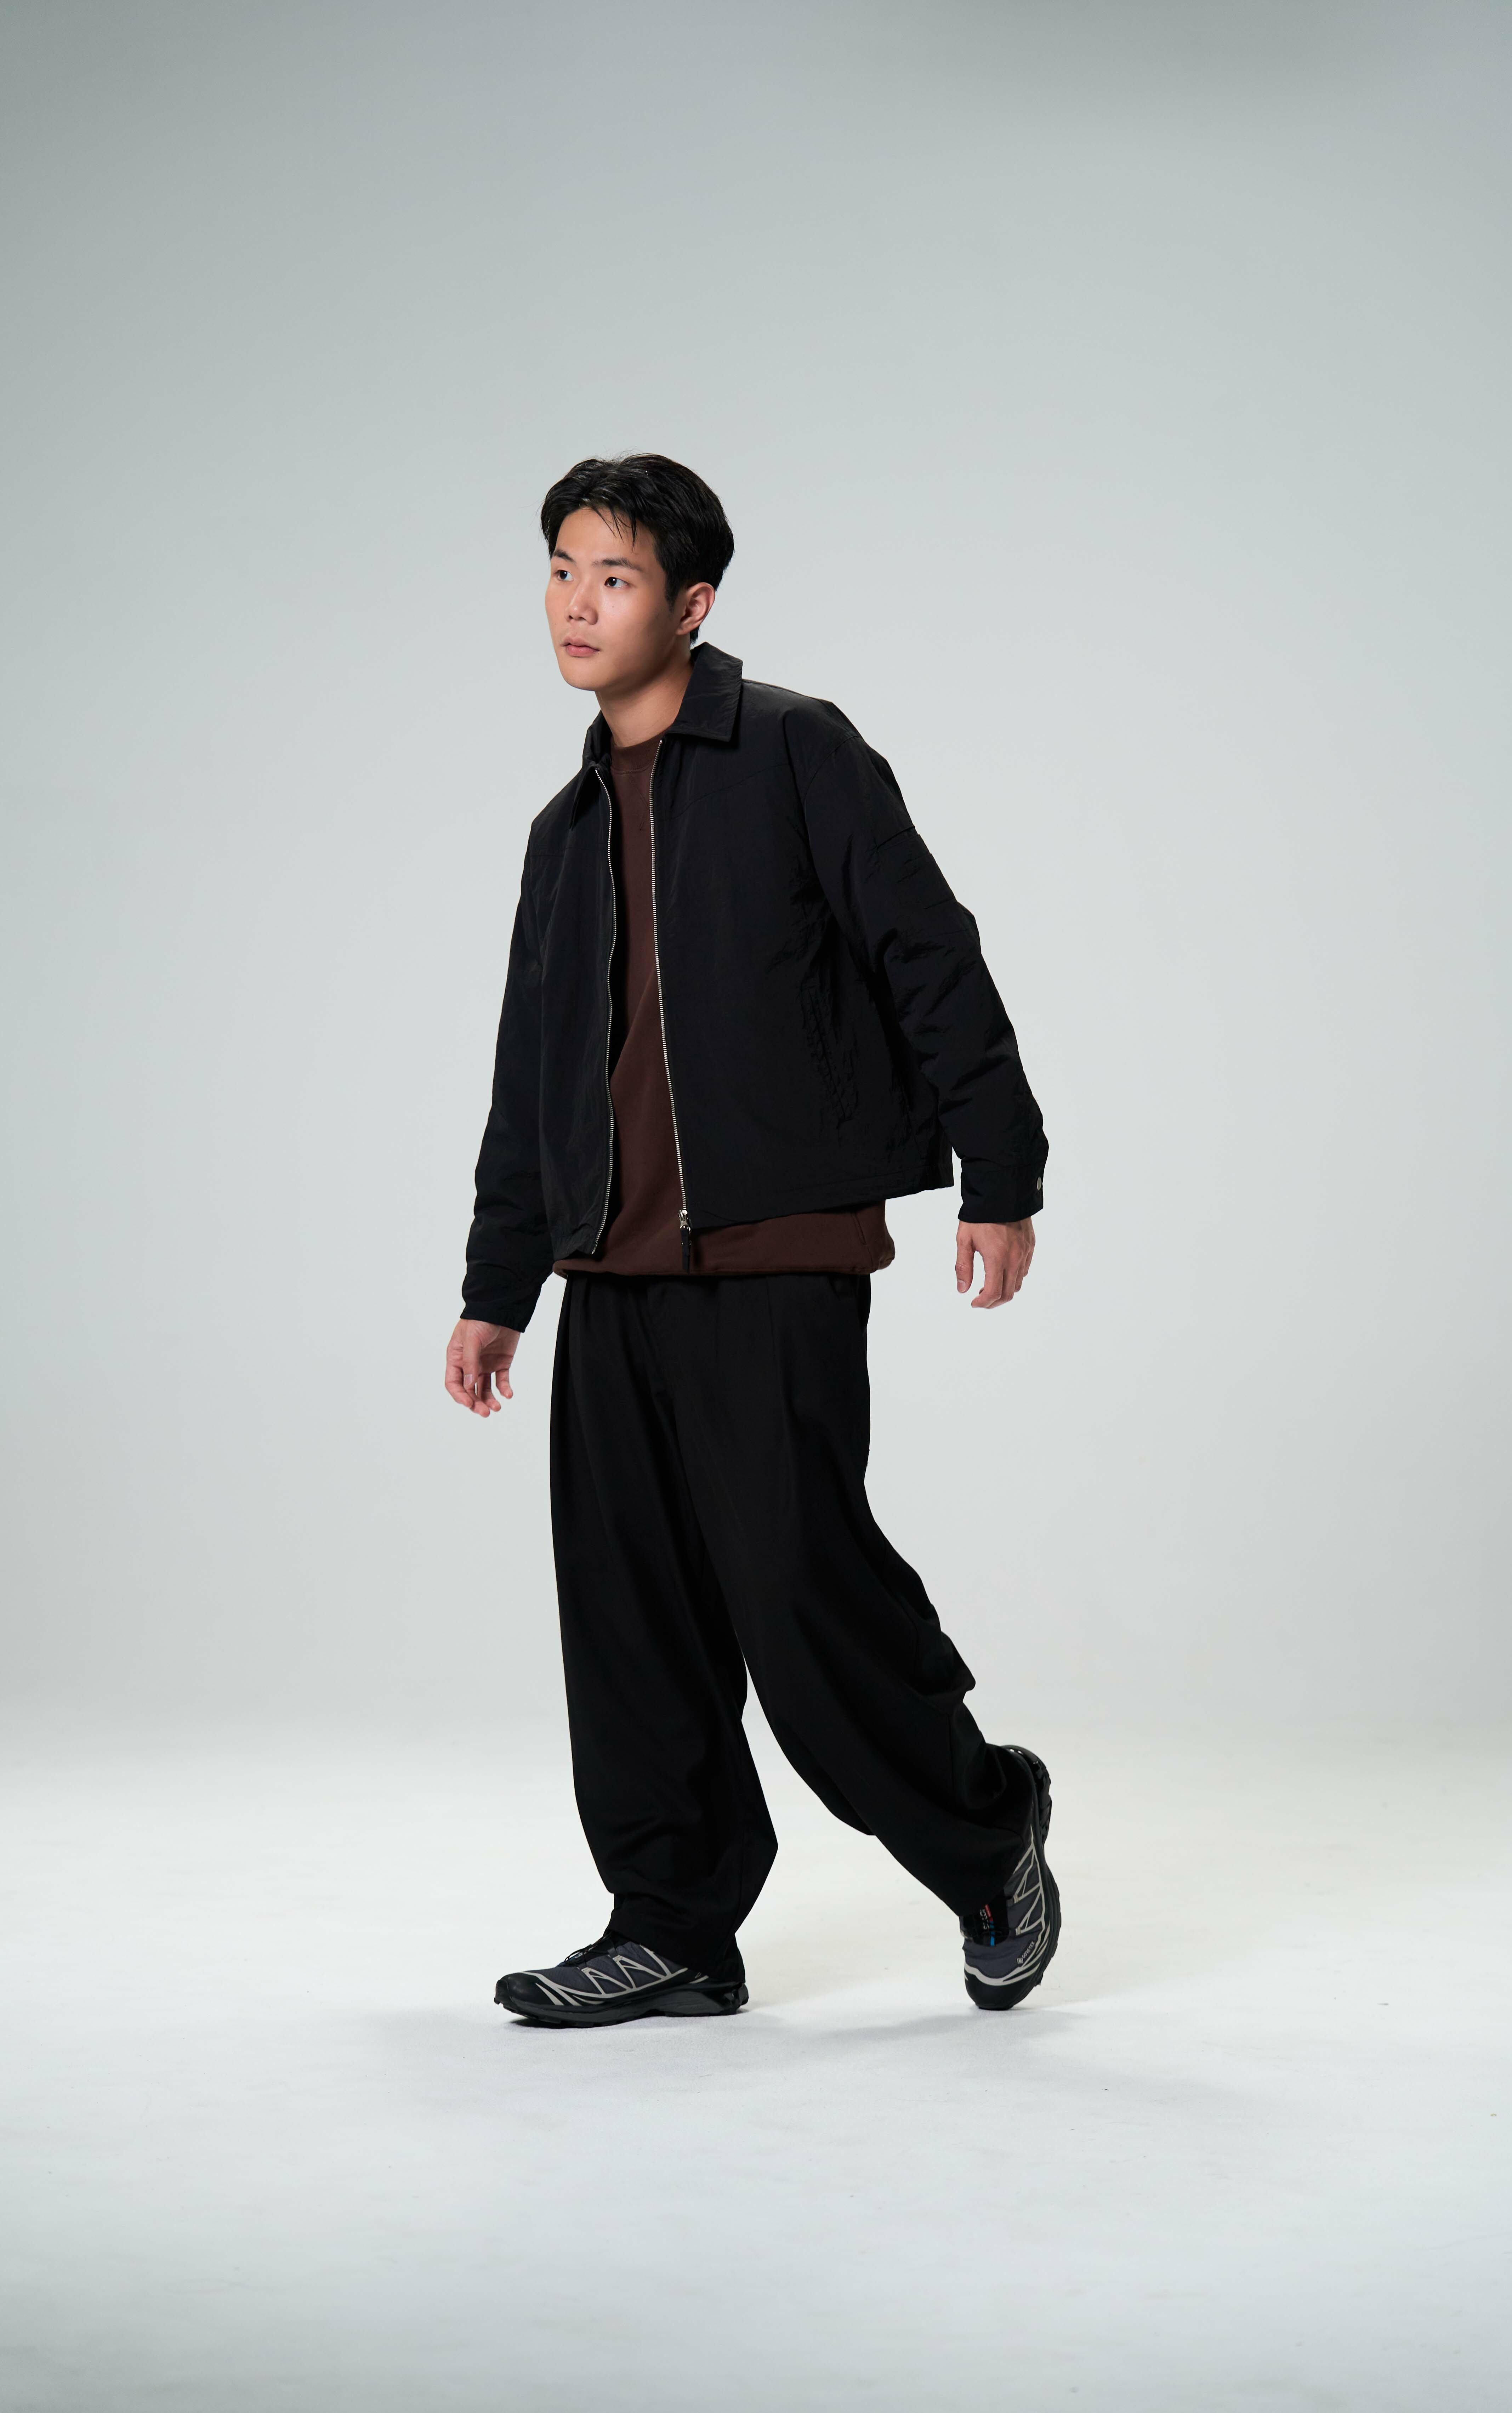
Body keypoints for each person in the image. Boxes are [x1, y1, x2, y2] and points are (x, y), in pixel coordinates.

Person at [448, 454, 1057, 2028]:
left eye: (616, 577)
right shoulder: (564, 830)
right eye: (562, 570)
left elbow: (926, 953)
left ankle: (986, 1833)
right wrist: (498, 1286)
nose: (577, 604)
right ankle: (669, 1924)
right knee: (631, 1618)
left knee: (801, 1595)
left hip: (777, 1253)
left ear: (692, 605)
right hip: (609, 1271)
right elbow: (531, 1073)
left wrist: (1000, 1170)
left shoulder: (794, 748)